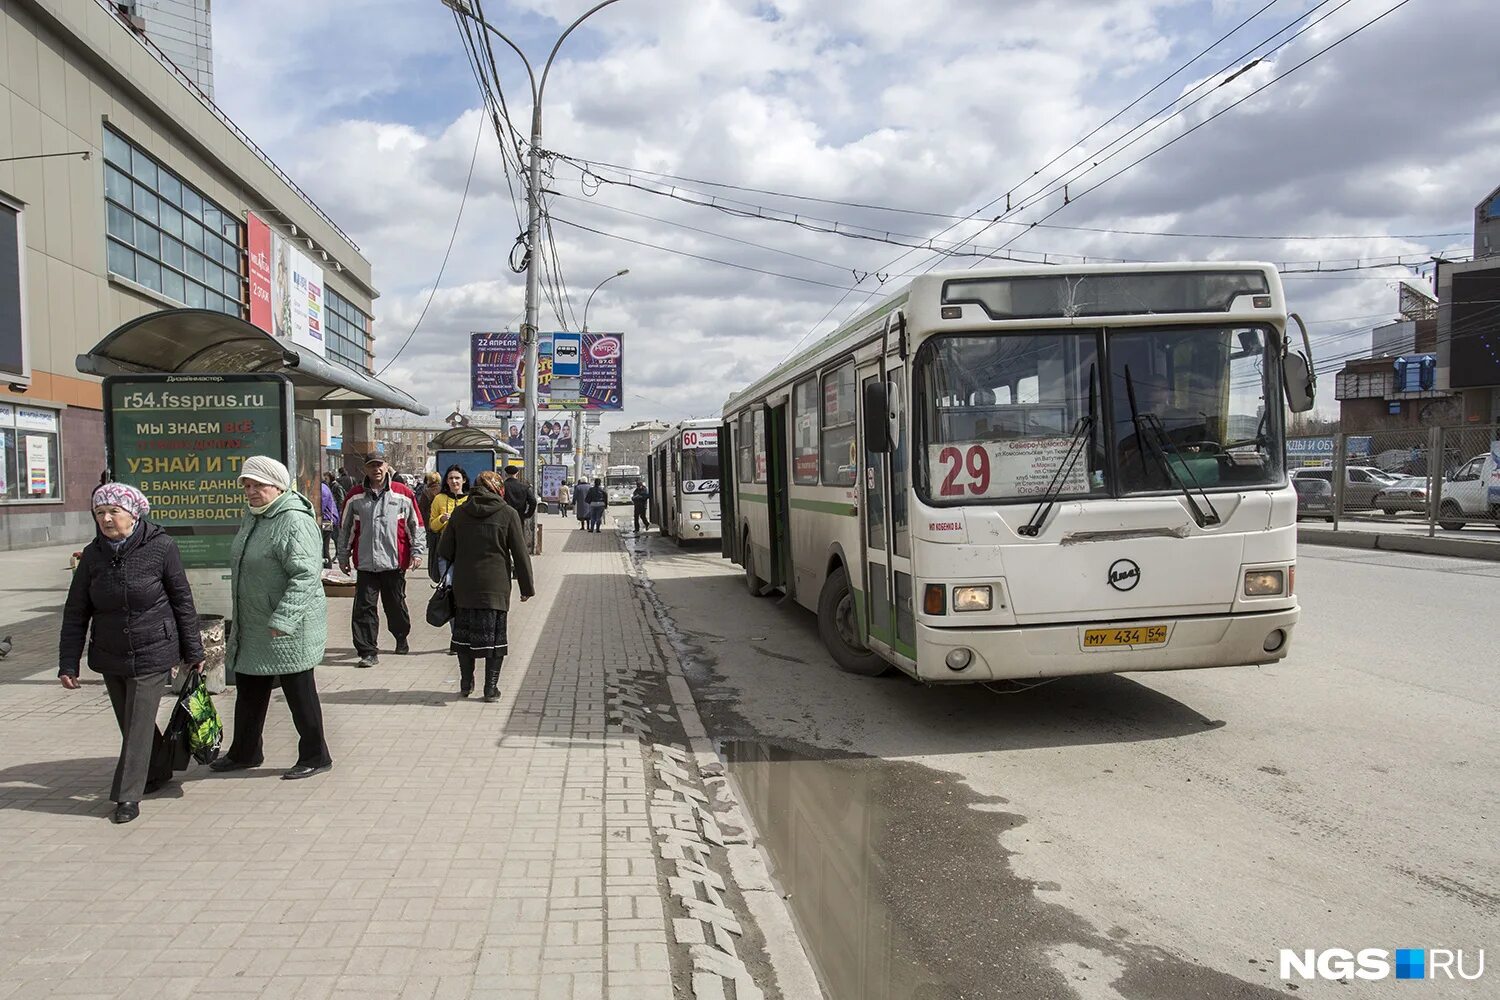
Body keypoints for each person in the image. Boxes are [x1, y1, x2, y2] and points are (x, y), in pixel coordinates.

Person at [58, 483, 204, 824]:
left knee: (137, 724)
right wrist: (68, 662)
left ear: (133, 513)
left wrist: (193, 649)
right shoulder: (93, 555)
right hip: (111, 652)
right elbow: (76, 611)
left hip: (154, 648)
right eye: (100, 513)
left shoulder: (161, 547)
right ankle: (159, 768)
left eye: (114, 512)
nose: (106, 519)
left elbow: (182, 600)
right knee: (132, 722)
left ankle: (126, 796)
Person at [210, 457, 333, 781]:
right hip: (254, 622)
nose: (250, 492)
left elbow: (306, 574)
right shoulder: (255, 517)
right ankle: (245, 751)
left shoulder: (293, 519)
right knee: (250, 687)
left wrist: (285, 618)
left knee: (299, 691)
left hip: (288, 626)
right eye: (246, 486)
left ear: (278, 486)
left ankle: (316, 755)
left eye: (257, 486)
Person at [438, 471, 534, 702]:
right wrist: (526, 588)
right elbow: (520, 554)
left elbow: (445, 550)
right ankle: (490, 689)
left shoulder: (460, 513)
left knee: (464, 638)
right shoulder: (508, 513)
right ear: (498, 488)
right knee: (495, 639)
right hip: (495, 587)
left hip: (464, 587)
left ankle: (465, 683)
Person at [338, 457, 425, 668]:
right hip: (366, 564)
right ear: (364, 469)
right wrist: (343, 555)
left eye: (379, 465)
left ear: (387, 467)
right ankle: (368, 651)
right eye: (371, 466)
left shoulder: (402, 493)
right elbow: (346, 527)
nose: (376, 469)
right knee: (364, 608)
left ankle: (401, 636)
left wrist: (417, 552)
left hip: (394, 563)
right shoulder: (355, 496)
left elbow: (416, 524)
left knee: (395, 606)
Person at [502, 465, 538, 553]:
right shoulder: (524, 487)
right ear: (517, 474)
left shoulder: (502, 487)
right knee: (518, 541)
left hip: (503, 517)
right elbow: (533, 501)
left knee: (503, 541)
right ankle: (517, 562)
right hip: (519, 517)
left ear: (506, 474)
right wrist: (527, 514)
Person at [418, 471, 442, 582]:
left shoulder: (426, 492)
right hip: (441, 523)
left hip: (430, 524)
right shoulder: (443, 491)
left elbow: (421, 509)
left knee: (433, 548)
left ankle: (434, 570)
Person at [318, 477, 341, 569]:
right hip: (327, 520)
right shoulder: (324, 487)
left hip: (326, 521)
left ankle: (327, 568)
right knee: (324, 547)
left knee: (324, 548)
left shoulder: (322, 489)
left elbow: (320, 507)